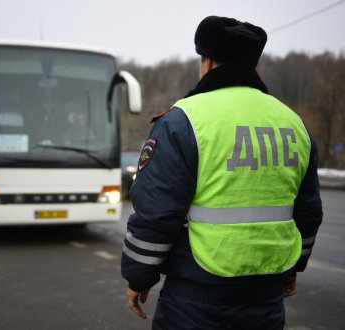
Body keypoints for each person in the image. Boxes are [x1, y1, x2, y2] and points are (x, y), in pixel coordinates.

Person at [121, 15, 323, 329]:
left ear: (207, 62)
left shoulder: (183, 120)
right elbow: (308, 210)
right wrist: (294, 269)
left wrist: (139, 276)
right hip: (267, 295)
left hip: (198, 296)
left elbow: (156, 210)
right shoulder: (293, 122)